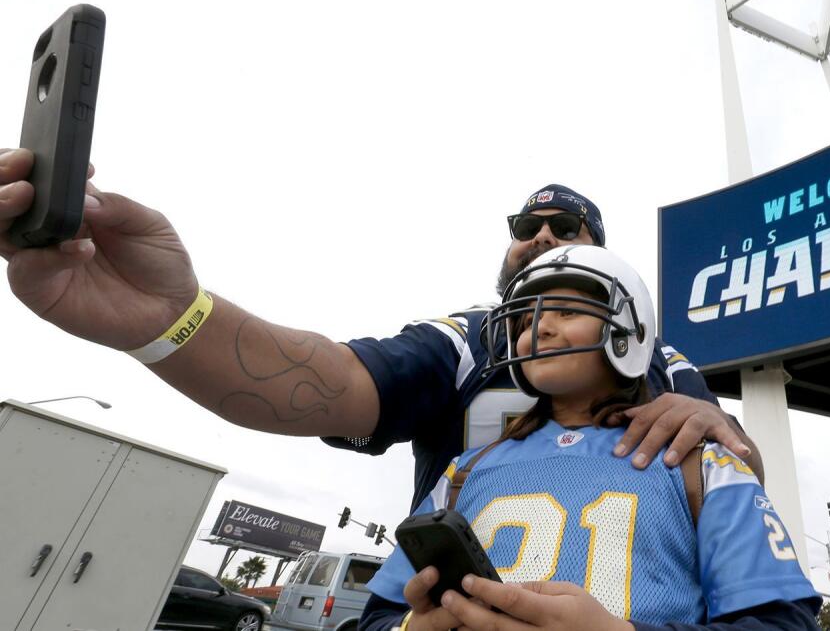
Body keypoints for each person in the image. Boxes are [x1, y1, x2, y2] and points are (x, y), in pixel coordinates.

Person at [0, 148, 759, 507]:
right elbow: (333, 382)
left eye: (567, 226)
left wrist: (717, 426)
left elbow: (742, 478)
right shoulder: (469, 339)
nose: (540, 234)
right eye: (526, 223)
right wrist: (171, 318)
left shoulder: (666, 358)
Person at [360, 245, 821, 631]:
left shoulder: (697, 462)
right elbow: (378, 615)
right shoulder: (467, 469)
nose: (538, 327)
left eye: (565, 310)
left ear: (630, 329)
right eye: (523, 322)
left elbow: (783, 621)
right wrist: (412, 626)